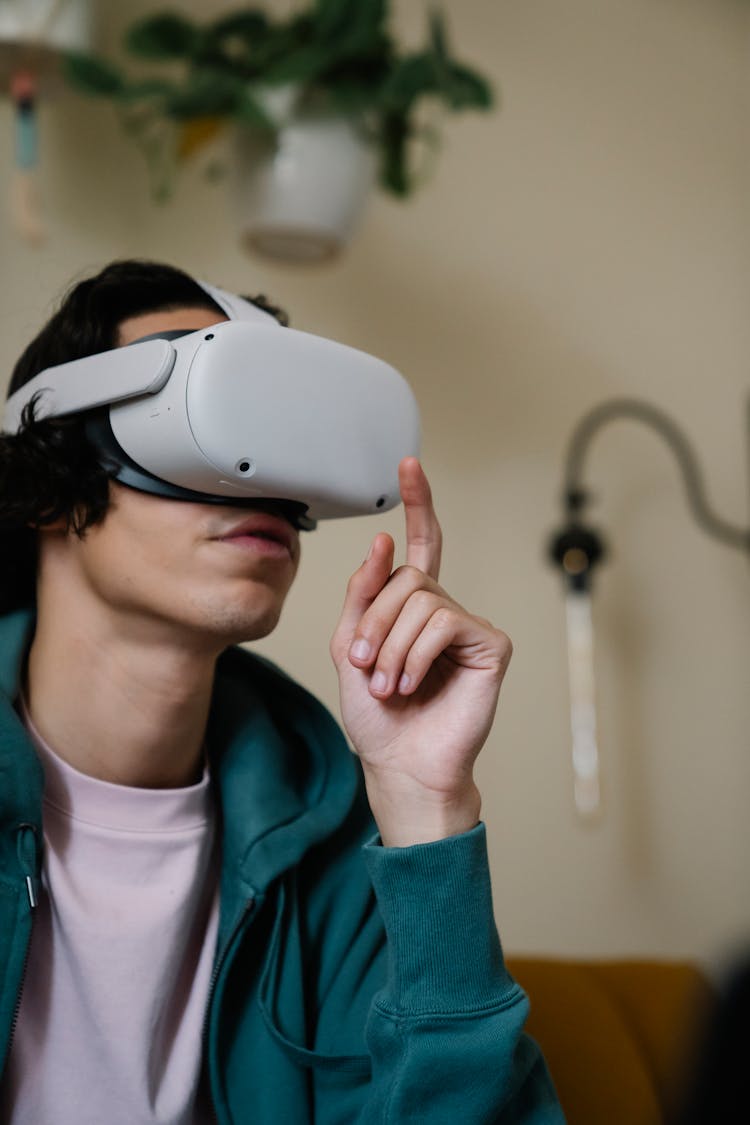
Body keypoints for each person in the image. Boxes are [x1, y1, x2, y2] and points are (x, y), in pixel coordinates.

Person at [0, 260, 564, 1124]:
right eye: (201, 416)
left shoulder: (335, 835)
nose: (257, 478)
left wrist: (426, 814)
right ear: (48, 474)